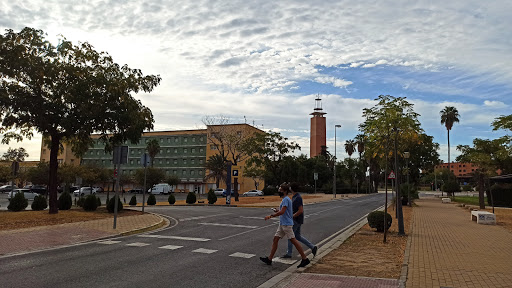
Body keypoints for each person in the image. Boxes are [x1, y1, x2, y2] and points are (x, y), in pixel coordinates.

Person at [260, 183, 310, 268]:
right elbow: (283, 210)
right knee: (275, 239)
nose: (279, 191)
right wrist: (277, 210)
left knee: (294, 240)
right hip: (283, 224)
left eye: (280, 190)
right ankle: (269, 259)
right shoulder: (285, 199)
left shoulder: (286, 199)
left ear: (285, 191)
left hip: (286, 224)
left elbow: (282, 212)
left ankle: (305, 259)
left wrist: (271, 216)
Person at [282, 182, 318, 258]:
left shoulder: (298, 197)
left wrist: (292, 216)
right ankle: (312, 247)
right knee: (297, 236)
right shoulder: (294, 196)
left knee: (290, 236)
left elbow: (300, 210)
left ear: (292, 189)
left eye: (290, 187)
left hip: (296, 220)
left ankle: (289, 253)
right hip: (297, 219)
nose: (289, 188)